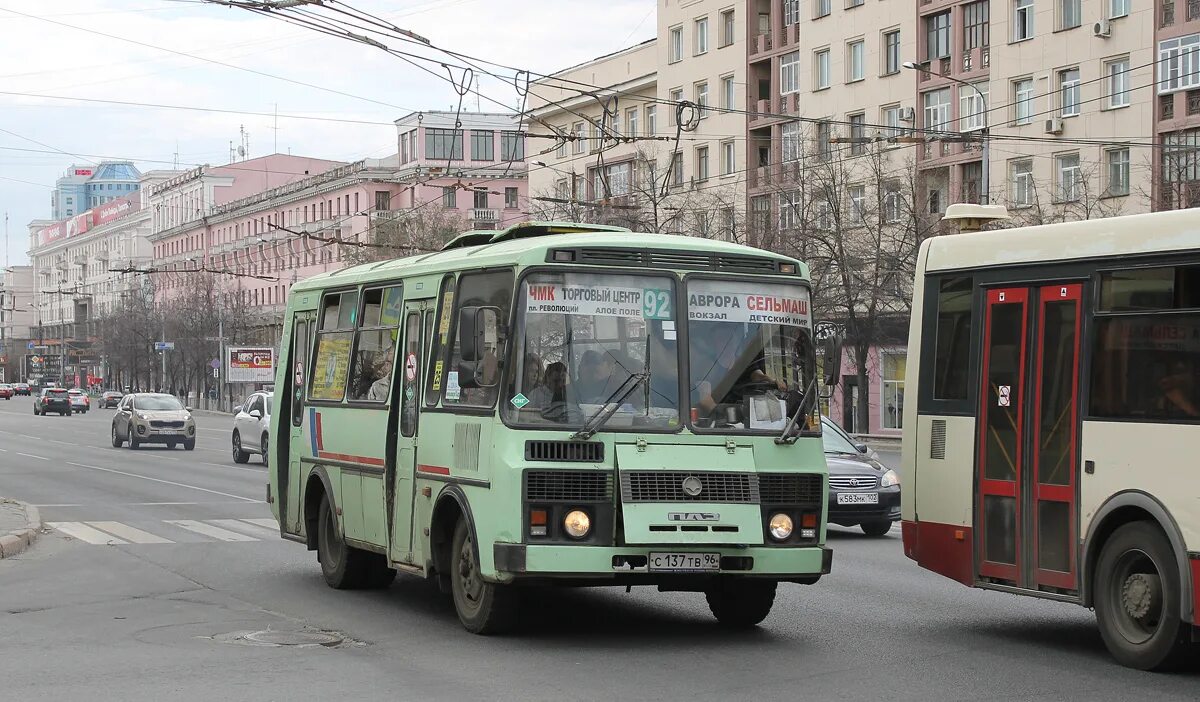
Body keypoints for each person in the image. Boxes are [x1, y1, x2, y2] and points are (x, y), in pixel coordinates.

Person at [691, 323, 786, 417]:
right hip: (718, 419)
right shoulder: (706, 367)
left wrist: (773, 381)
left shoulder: (743, 363)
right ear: (714, 343)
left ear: (736, 342)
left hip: (746, 415)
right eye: (721, 339)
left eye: (730, 338)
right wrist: (725, 414)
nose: (727, 343)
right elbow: (705, 400)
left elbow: (758, 376)